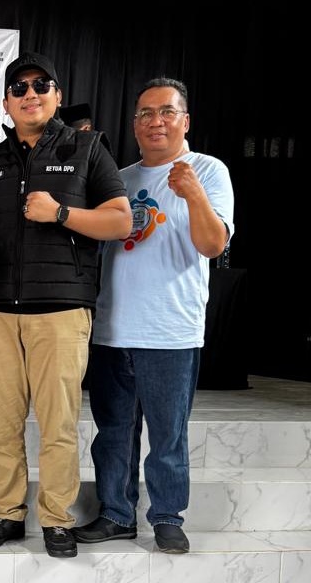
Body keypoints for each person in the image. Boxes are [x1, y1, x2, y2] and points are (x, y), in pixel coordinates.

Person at [0, 51, 131, 558]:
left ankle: (57, 519)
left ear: (57, 96)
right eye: (19, 87)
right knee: (1, 424)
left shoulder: (88, 148)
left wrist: (60, 212)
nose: (30, 94)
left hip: (61, 309)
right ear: (5, 102)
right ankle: (7, 514)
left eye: (42, 85)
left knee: (58, 424)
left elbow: (120, 221)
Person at [73, 78, 234, 554]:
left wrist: (194, 195)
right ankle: (116, 514)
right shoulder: (117, 178)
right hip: (112, 328)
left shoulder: (208, 170)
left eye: (166, 112)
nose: (155, 121)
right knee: (113, 433)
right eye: (145, 113)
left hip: (171, 330)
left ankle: (166, 516)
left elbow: (213, 245)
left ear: (186, 121)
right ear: (134, 124)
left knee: (168, 435)